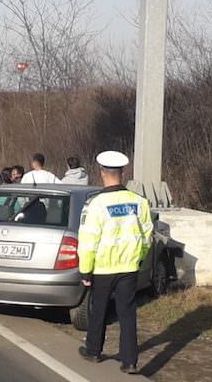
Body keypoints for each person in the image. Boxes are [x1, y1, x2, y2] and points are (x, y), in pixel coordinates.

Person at [77, 151, 153, 375]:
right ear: (122, 173)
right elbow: (147, 236)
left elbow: (88, 241)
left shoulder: (96, 204)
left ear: (102, 173)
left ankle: (93, 351)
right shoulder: (139, 202)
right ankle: (130, 361)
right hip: (129, 267)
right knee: (127, 313)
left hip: (102, 268)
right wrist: (138, 259)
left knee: (98, 309)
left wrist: (85, 271)